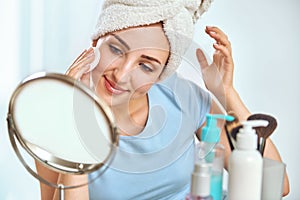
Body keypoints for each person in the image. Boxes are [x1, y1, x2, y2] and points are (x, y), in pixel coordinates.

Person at [36, 0, 290, 199]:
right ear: (96, 40)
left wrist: (226, 91)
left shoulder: (183, 98)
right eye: (115, 49)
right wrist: (73, 122)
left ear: (161, 74)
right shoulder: (56, 119)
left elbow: (276, 187)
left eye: (146, 66)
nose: (122, 75)